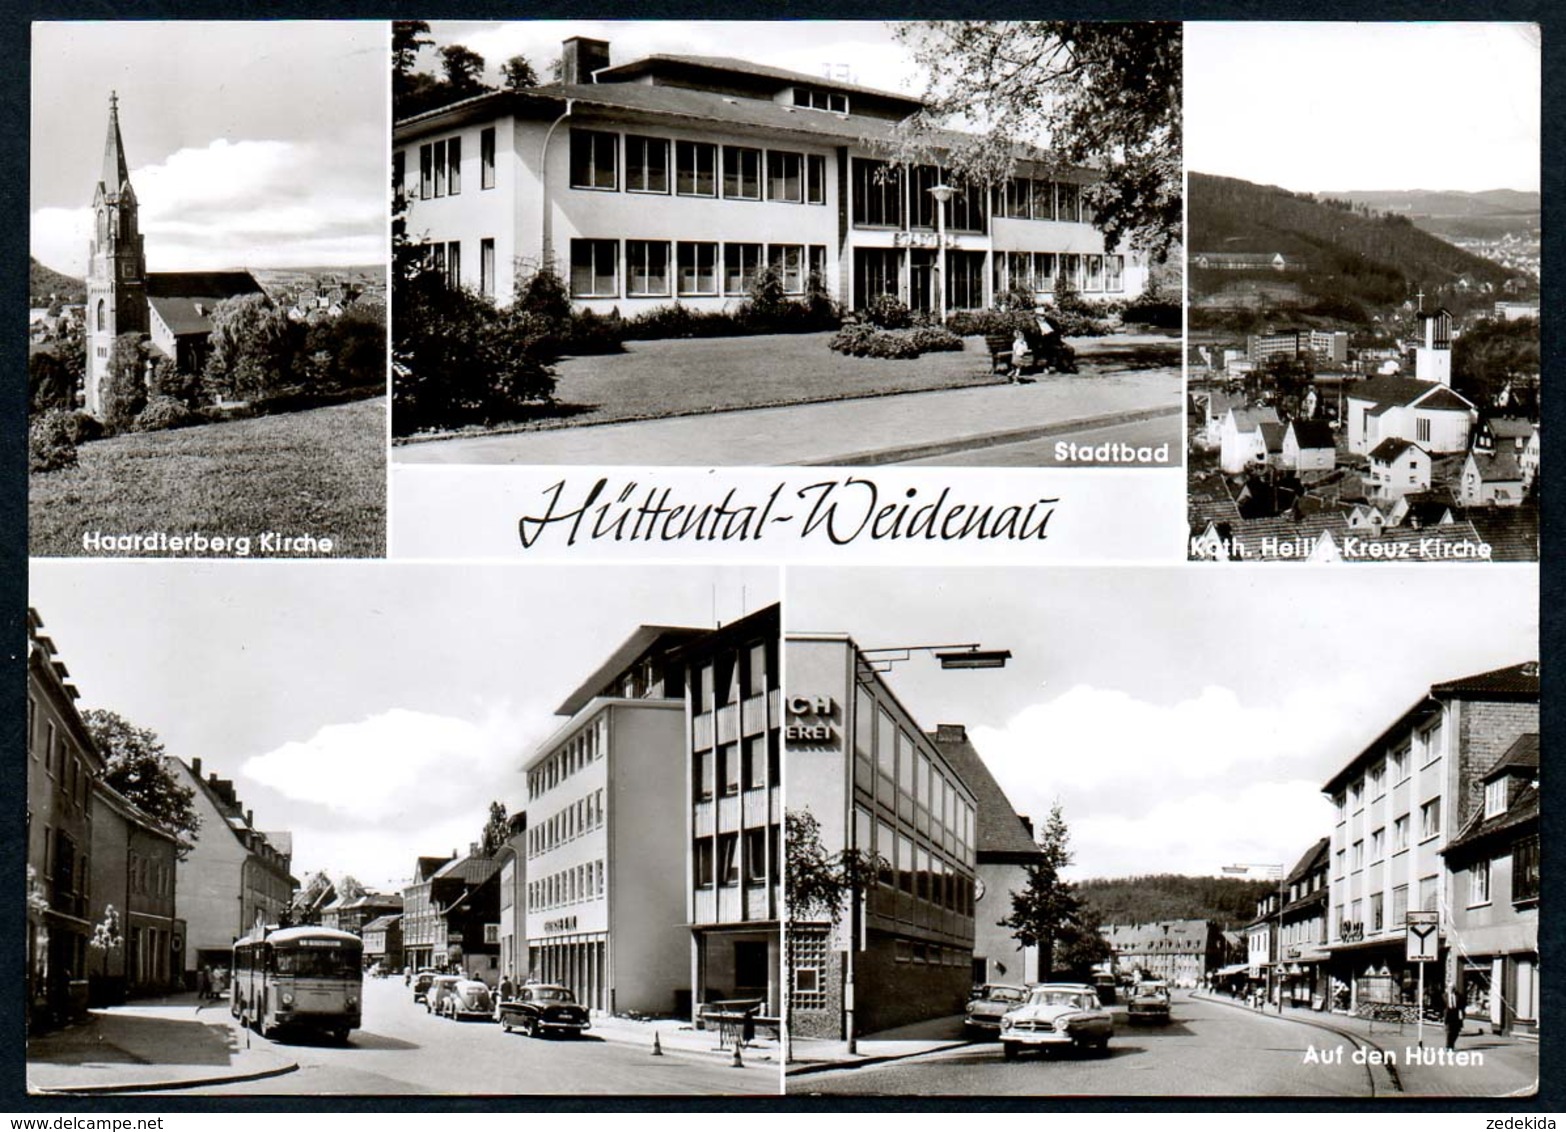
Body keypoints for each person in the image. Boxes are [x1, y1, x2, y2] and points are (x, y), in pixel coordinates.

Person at [1444, 983, 1463, 1050]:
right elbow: (1441, 1005)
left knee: (1456, 1032)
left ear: (1454, 988)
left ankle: (1452, 1044)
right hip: (1449, 1015)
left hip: (1456, 1014)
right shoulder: (1444, 996)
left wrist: (1461, 1015)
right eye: (1450, 988)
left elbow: (1461, 1006)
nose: (1451, 989)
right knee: (1449, 1031)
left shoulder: (1459, 996)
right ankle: (1448, 1046)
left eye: (1452, 988)